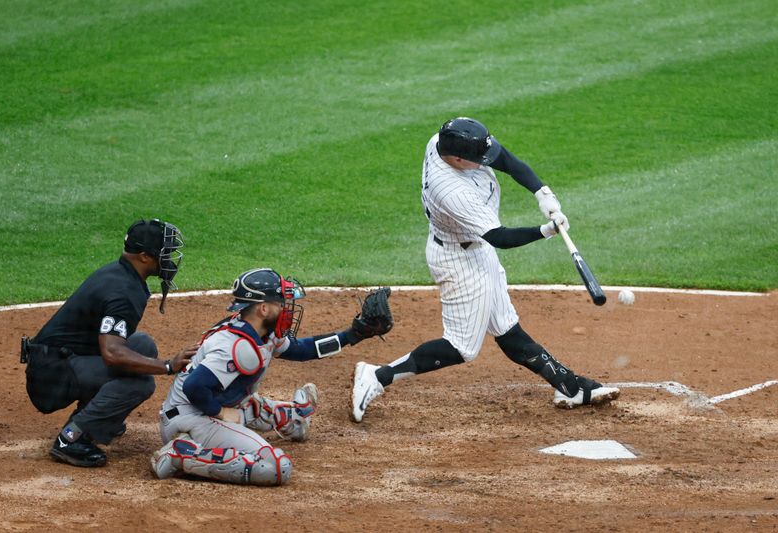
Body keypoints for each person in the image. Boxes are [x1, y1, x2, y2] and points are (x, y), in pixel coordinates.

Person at [351, 117, 620, 423]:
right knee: (461, 347)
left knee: (506, 327)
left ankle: (569, 387)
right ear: (456, 159)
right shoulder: (451, 191)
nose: (484, 161)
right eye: (477, 159)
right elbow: (500, 237)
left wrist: (542, 193)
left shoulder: (445, 141)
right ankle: (376, 376)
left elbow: (506, 159)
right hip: (459, 261)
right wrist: (545, 230)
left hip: (477, 250)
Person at [150, 269, 392, 486]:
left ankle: (292, 419)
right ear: (263, 309)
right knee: (275, 467)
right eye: (281, 302)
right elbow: (195, 386)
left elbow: (302, 349)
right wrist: (220, 413)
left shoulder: (260, 330)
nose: (287, 307)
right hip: (193, 418)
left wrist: (354, 335)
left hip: (210, 406)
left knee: (272, 411)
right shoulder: (236, 346)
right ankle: (180, 454)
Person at [22, 219, 199, 468]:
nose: (168, 261)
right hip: (51, 376)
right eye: (164, 254)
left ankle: (96, 422)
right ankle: (70, 439)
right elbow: (112, 353)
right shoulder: (123, 291)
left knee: (142, 345)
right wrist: (168, 366)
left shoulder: (120, 273)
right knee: (140, 385)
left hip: (58, 360)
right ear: (145, 257)